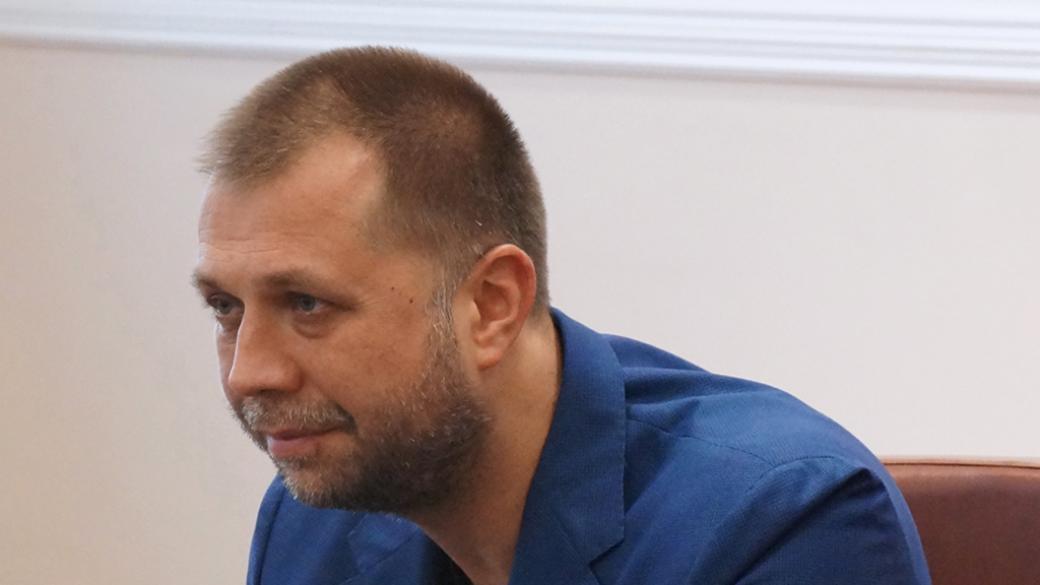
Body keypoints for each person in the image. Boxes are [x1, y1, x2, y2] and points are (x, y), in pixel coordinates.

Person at [192, 46, 931, 585]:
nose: (248, 373)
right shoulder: (313, 522)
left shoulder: (784, 524)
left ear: (492, 305)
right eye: (226, 308)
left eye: (307, 304)